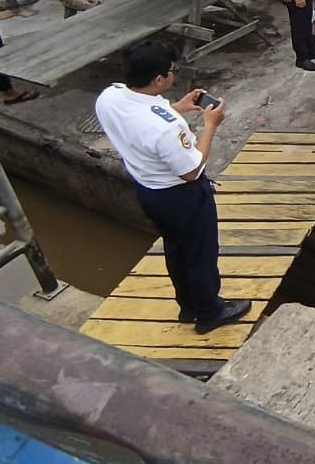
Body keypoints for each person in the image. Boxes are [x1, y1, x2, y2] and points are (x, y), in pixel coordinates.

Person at [94, 40, 250, 334]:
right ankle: (210, 313)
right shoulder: (166, 128)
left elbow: (140, 122)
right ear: (158, 79)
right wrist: (211, 125)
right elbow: (192, 170)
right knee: (201, 254)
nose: (174, 74)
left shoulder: (109, 97)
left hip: (148, 191)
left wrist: (177, 108)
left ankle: (188, 306)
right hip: (182, 197)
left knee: (176, 249)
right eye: (172, 70)